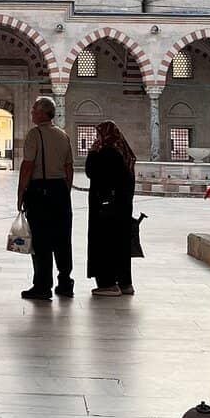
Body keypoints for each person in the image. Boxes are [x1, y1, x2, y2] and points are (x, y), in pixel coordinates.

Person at [17, 96, 74, 301]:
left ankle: (42, 286)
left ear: (42, 113)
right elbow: (69, 168)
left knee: (41, 240)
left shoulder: (35, 134)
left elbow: (28, 166)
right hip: (59, 190)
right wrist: (64, 192)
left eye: (34, 110)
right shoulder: (63, 135)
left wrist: (21, 192)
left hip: (40, 190)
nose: (32, 112)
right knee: (62, 239)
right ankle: (65, 283)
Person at [85, 121, 136, 297]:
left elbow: (92, 172)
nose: (96, 138)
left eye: (98, 134)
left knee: (105, 244)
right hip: (121, 208)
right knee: (120, 245)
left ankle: (108, 284)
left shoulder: (107, 152)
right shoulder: (123, 152)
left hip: (105, 210)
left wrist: (92, 153)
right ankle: (125, 283)